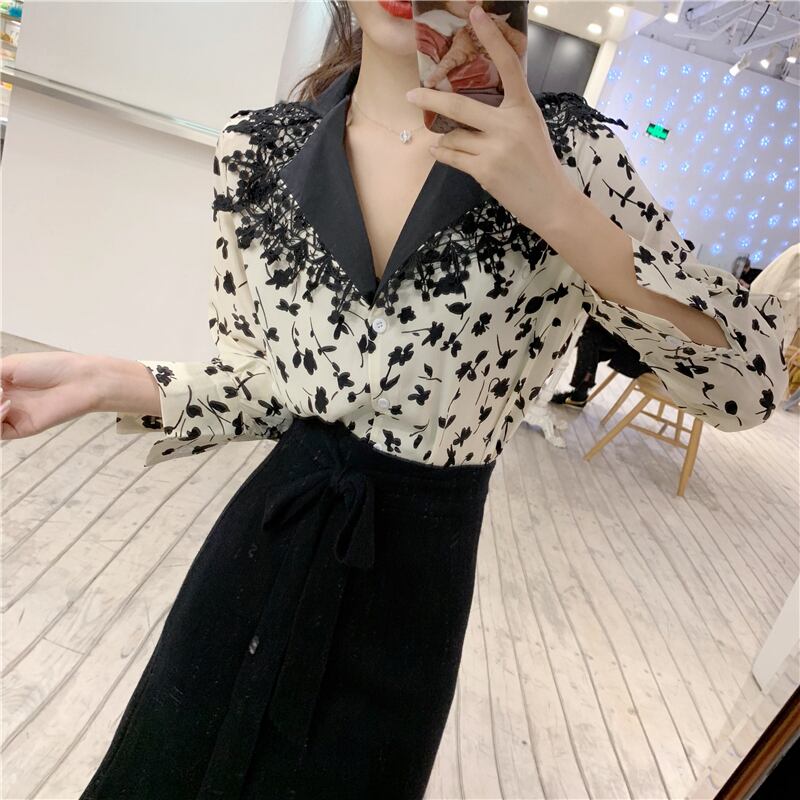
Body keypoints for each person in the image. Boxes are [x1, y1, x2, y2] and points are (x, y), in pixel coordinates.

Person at [0, 1, 789, 797]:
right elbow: (272, 385)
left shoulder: (568, 152)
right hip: (257, 552)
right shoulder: (258, 149)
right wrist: (106, 382)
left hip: (412, 594)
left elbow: (749, 385)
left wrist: (555, 206)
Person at [550, 315, 651, 408]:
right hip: (621, 332)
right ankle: (578, 390)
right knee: (588, 325)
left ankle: (580, 392)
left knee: (589, 333)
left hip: (638, 349)